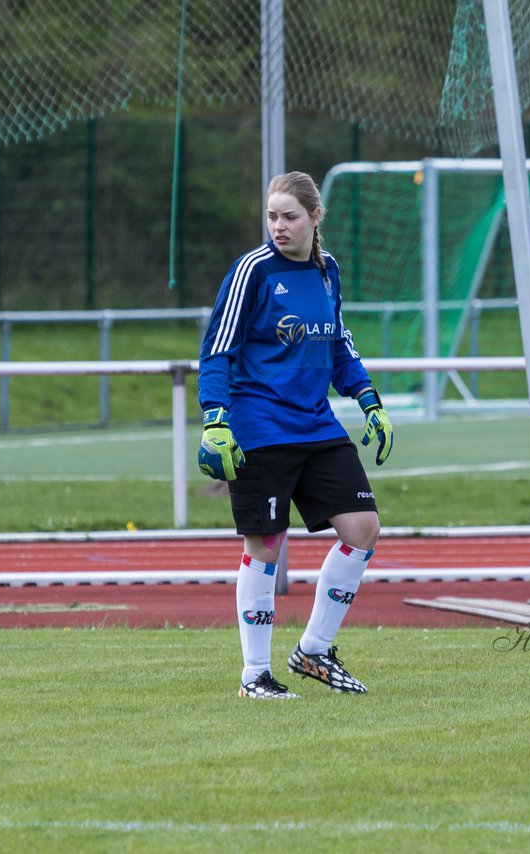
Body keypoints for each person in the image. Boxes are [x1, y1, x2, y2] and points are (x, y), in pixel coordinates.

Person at [197, 170, 394, 699]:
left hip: (316, 425)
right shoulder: (253, 271)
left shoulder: (328, 272)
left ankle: (313, 651)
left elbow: (337, 345)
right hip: (258, 427)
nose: (278, 227)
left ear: (314, 219)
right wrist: (216, 417)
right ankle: (254, 675)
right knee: (265, 544)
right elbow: (218, 347)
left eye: (290, 217)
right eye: (272, 216)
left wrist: (367, 398)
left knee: (362, 529)